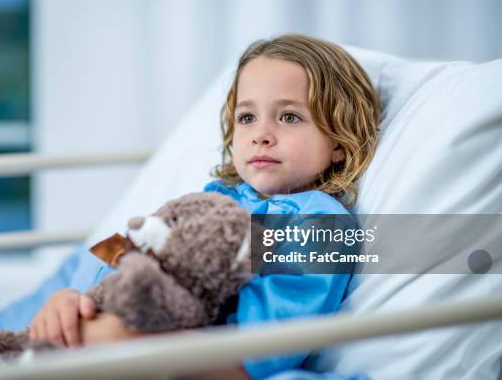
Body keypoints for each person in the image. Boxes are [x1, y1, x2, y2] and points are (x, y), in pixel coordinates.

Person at [27, 34, 381, 379]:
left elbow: (270, 341)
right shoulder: (214, 196)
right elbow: (121, 251)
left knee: (99, 342)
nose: (261, 134)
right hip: (135, 321)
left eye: (288, 117)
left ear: (339, 139)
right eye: (247, 118)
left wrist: (155, 344)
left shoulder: (318, 220)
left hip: (207, 360)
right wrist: (75, 298)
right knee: (64, 328)